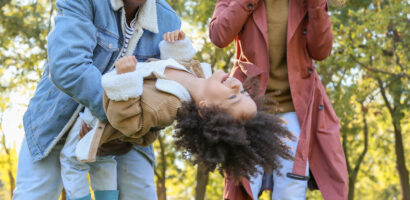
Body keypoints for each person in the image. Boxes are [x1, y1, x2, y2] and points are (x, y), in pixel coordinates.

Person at [75, 30, 295, 183]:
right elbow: (172, 67)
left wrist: (125, 80)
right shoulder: (199, 76)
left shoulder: (168, 106)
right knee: (101, 173)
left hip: (90, 122)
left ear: (205, 108)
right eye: (244, 92)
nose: (237, 85)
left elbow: (129, 121)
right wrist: (176, 44)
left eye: (233, 97)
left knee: (76, 170)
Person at [13, 0, 181, 200]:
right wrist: (115, 118)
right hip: (58, 117)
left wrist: (117, 130)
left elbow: (164, 90)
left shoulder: (168, 20)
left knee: (140, 193)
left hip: (128, 130)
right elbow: (68, 66)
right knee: (34, 195)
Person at [209, 0, 348, 199]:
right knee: (244, 182)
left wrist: (316, 5)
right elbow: (218, 36)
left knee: (291, 187)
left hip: (294, 107)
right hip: (249, 105)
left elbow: (321, 51)